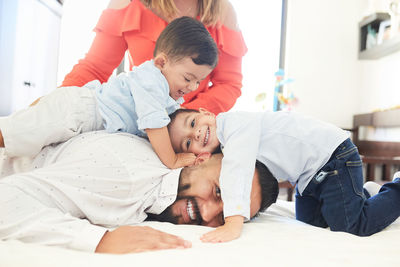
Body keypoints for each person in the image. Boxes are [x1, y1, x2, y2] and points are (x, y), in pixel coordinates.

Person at [0, 131, 279, 254]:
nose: (206, 214)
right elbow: (6, 199)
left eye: (226, 215)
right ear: (202, 158)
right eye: (218, 192)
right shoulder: (125, 175)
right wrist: (102, 240)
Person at [0, 16, 218, 169]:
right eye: (188, 78)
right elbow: (154, 124)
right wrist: (173, 160)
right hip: (80, 110)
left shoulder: (170, 100)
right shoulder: (153, 80)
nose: (191, 88)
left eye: (198, 82)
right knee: (20, 132)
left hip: (86, 120)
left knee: (27, 149)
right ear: (162, 62)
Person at [166, 108, 400, 242]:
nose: (195, 133)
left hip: (332, 157)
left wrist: (233, 221)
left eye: (193, 121)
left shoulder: (235, 125)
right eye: (188, 142)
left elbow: (238, 170)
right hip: (308, 177)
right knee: (311, 223)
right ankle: (363, 194)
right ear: (198, 157)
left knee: (350, 225)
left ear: (207, 112)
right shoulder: (224, 149)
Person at [61, 0, 247, 115]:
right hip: (137, 115)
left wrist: (182, 116)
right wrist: (58, 99)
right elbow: (94, 69)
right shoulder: (128, 3)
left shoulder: (223, 11)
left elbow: (228, 85)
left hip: (190, 126)